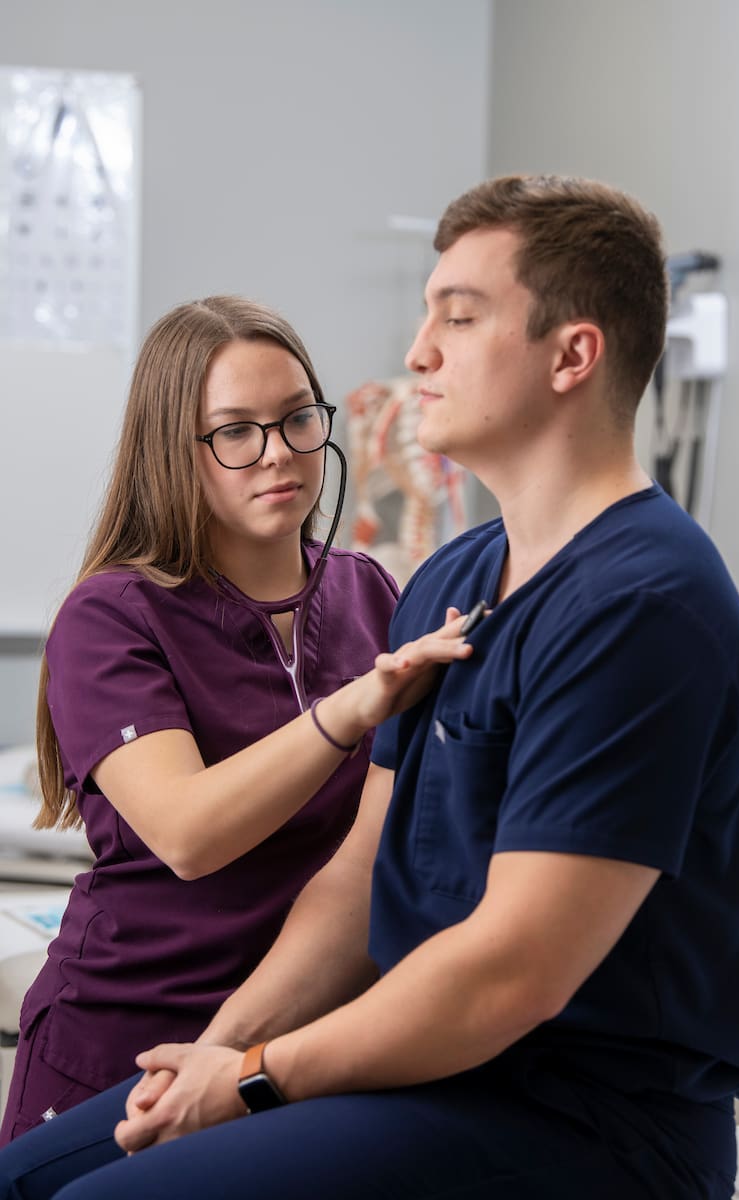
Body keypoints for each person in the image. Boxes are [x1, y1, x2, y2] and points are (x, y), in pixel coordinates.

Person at [0, 177, 739, 1200]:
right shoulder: (453, 583)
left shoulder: (641, 604)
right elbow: (354, 881)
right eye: (426, 317)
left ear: (570, 355)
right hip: (419, 1072)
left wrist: (251, 1083)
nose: (415, 355)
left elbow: (509, 973)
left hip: (578, 1116)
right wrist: (214, 1058)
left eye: (456, 316)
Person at [0, 294, 476, 1146]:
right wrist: (353, 704)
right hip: (128, 1042)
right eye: (235, 432)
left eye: (298, 419)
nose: (278, 455)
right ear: (172, 449)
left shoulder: (370, 592)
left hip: (300, 1043)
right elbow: (189, 834)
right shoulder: (114, 615)